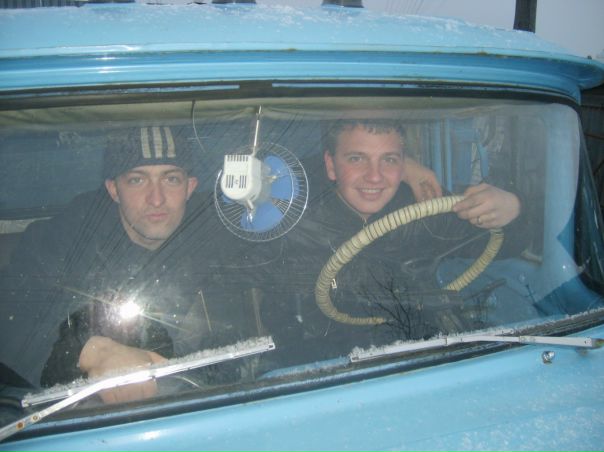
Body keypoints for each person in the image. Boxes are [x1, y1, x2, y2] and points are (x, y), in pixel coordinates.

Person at [0, 126, 250, 404]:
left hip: (211, 401)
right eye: (137, 180)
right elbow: (13, 327)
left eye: (171, 179)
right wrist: (93, 353)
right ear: (114, 190)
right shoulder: (64, 242)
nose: (156, 198)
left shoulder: (216, 229)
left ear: (190, 187)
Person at [262, 119, 523, 361]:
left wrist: (514, 208)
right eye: (356, 159)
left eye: (389, 160)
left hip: (414, 356)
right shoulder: (291, 219)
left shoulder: (423, 212)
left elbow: (508, 242)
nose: (375, 176)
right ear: (330, 166)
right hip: (315, 365)